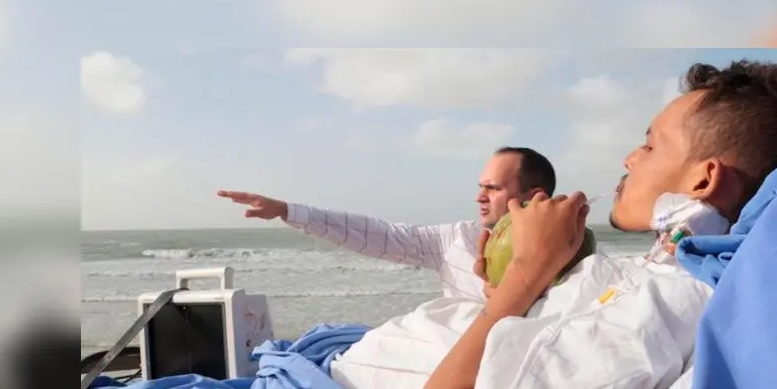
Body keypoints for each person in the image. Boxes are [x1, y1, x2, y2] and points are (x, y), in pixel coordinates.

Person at [404, 59, 777, 389]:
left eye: (649, 145)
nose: (629, 158)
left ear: (703, 179)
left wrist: (527, 273)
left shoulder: (660, 306)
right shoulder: (660, 277)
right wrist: (519, 287)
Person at [217, 146, 556, 300]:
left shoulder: (570, 255)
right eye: (480, 187)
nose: (479, 197)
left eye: (493, 188)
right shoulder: (457, 239)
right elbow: (375, 234)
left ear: (534, 195)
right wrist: (287, 210)